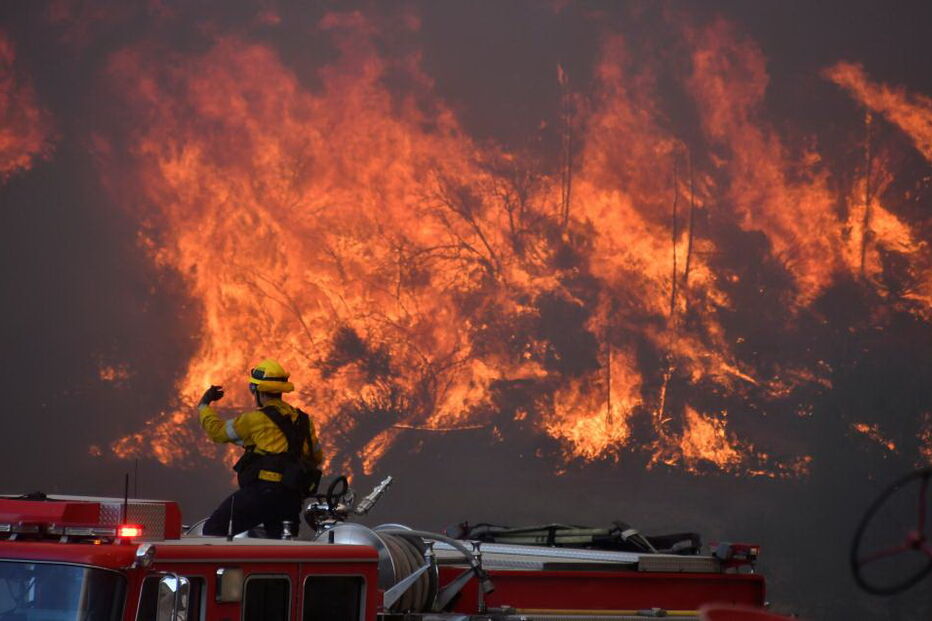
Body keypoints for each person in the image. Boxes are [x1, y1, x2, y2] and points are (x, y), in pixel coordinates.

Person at [197, 358, 323, 539]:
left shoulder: (255, 420)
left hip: (263, 493)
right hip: (291, 497)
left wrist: (204, 406)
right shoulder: (303, 420)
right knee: (280, 548)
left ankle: (232, 568)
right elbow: (316, 456)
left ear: (257, 390)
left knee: (214, 530)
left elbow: (218, 432)